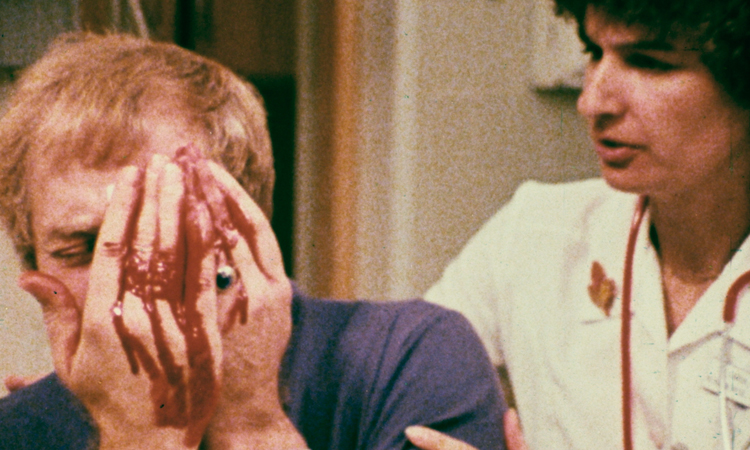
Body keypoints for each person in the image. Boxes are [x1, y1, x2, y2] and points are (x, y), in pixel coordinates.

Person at [0, 32, 507, 450]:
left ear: (247, 226)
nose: (127, 282)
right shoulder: (17, 431)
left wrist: (250, 423)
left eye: (159, 226)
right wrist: (139, 437)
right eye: (82, 250)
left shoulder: (409, 359)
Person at [417, 0, 750, 449]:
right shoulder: (535, 233)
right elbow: (396, 379)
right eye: (593, 52)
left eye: (649, 62)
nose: (591, 102)